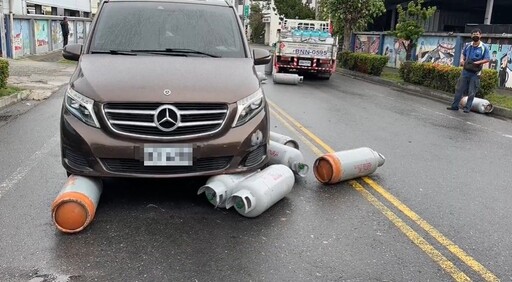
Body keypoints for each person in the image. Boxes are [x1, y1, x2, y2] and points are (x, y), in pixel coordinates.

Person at [447, 29, 490, 113]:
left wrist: (477, 63)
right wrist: (462, 60)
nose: (475, 36)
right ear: (471, 36)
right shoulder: (468, 45)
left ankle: (467, 108)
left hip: (475, 73)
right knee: (459, 89)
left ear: (480, 35)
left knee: (472, 91)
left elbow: (487, 59)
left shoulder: (484, 47)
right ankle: (454, 106)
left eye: (477, 34)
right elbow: (463, 54)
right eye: (473, 34)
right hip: (465, 71)